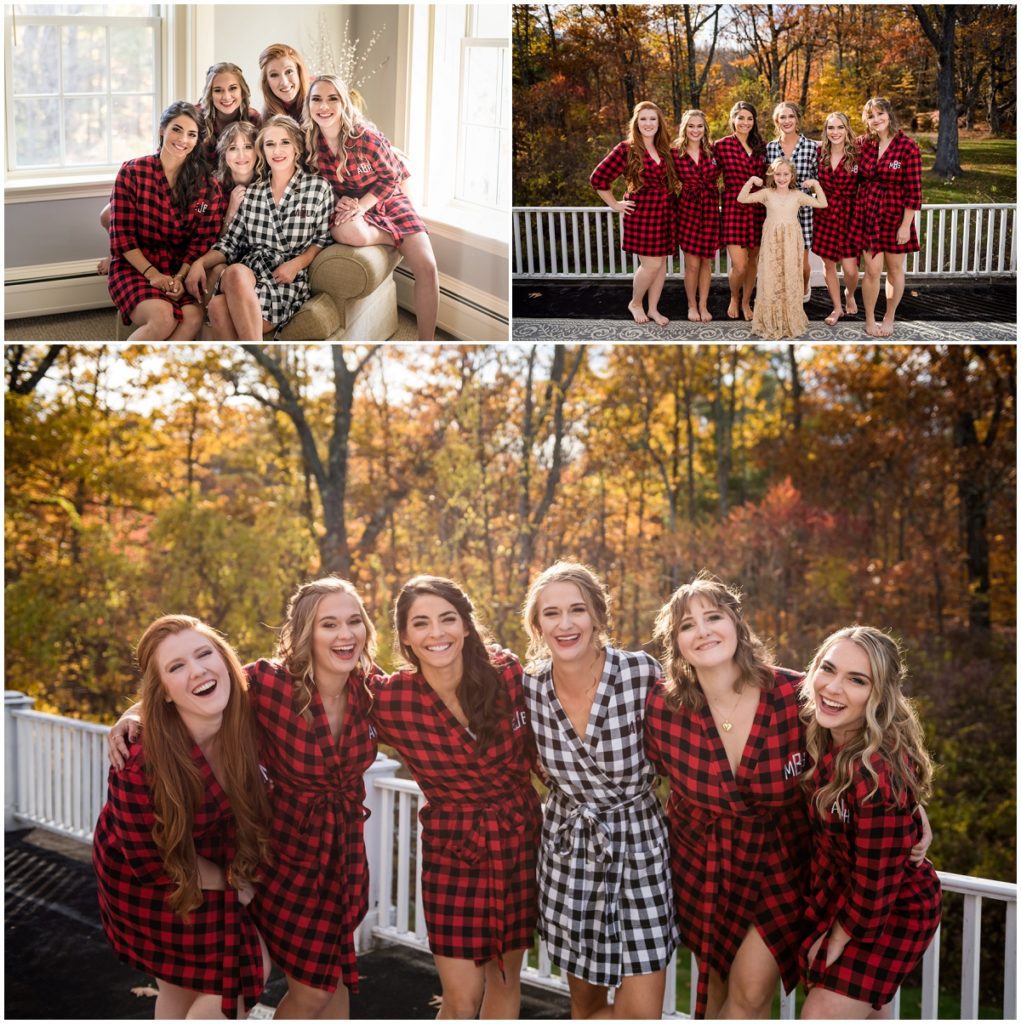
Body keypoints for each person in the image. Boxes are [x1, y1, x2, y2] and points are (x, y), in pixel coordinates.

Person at [108, 578, 381, 1020]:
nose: (345, 634)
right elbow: (149, 857)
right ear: (304, 633)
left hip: (308, 855)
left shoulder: (373, 692)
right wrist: (131, 713)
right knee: (228, 983)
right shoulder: (269, 686)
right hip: (153, 872)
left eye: (354, 621)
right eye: (328, 623)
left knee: (317, 986)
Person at [371, 575, 542, 1019]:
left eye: (448, 619)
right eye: (421, 623)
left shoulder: (507, 675)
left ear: (466, 625)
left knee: (504, 985)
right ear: (406, 637)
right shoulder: (392, 699)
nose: (437, 633)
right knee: (461, 995)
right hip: (451, 849)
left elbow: (545, 748)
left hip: (516, 838)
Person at [645, 574, 811, 1020]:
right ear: (675, 643)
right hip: (704, 864)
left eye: (713, 617)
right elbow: (627, 773)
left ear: (737, 624)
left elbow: (864, 751)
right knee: (716, 989)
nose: (702, 632)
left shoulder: (797, 696)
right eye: (687, 625)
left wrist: (914, 811)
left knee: (752, 993)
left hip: (781, 864)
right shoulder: (664, 709)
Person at [94, 615, 272, 1019]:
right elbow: (150, 863)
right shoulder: (139, 760)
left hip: (212, 857)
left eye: (204, 654)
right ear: (165, 693)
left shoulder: (247, 702)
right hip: (142, 878)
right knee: (244, 971)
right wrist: (233, 883)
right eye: (176, 667)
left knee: (188, 988)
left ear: (225, 661)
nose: (197, 670)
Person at [522, 561, 677, 1019]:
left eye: (577, 610)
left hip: (640, 846)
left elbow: (688, 745)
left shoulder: (640, 674)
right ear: (537, 624)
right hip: (569, 852)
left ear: (598, 616)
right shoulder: (527, 687)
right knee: (585, 1006)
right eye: (551, 614)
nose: (565, 624)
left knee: (641, 1013)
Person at [797, 626, 941, 1019]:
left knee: (820, 1013)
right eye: (828, 669)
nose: (834, 687)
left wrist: (835, 940)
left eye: (857, 680)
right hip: (844, 894)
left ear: (879, 696)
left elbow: (876, 883)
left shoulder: (879, 771)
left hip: (890, 906)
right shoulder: (824, 727)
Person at [305, 74, 440, 340]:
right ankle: (393, 238)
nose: (324, 106)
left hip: (384, 199)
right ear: (308, 105)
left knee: (427, 266)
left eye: (332, 98)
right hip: (349, 206)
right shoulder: (309, 143)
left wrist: (362, 206)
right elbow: (312, 187)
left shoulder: (364, 137)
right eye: (316, 99)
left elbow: (391, 178)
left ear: (343, 102)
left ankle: (427, 341)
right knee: (346, 232)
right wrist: (337, 201)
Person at [195, 115, 334, 340]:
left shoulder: (318, 188)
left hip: (286, 278)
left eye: (284, 142)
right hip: (250, 274)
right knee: (232, 274)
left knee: (219, 305)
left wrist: (296, 264)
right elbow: (229, 243)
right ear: (262, 150)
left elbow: (322, 239)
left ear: (297, 147)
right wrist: (199, 263)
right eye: (270, 144)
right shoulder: (254, 192)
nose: (277, 150)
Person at [106, 101, 224, 340]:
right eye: (177, 129)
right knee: (163, 316)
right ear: (162, 130)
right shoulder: (132, 172)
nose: (183, 139)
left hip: (179, 269)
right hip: (135, 266)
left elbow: (201, 242)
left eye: (192, 134)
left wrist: (179, 278)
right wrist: (154, 275)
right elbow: (122, 237)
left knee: (193, 318)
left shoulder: (208, 187)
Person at [590, 101, 682, 327]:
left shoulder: (664, 149)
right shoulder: (626, 149)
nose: (648, 123)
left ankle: (653, 309)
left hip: (665, 213)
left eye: (653, 119)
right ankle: (635, 303)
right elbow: (598, 178)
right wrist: (614, 204)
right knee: (650, 265)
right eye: (643, 119)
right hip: (642, 214)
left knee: (660, 265)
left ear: (659, 123)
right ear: (636, 123)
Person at [850, 97, 923, 337]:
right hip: (868, 214)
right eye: (871, 116)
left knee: (894, 271)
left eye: (880, 114)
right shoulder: (862, 144)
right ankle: (869, 318)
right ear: (866, 121)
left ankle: (889, 316)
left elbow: (914, 191)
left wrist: (905, 225)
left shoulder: (907, 147)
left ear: (889, 115)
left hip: (895, 217)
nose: (876, 120)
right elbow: (838, 149)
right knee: (871, 270)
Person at [738, 157, 827, 339]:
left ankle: (789, 319)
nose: (782, 178)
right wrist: (751, 181)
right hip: (772, 241)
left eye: (786, 174)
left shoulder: (797, 195)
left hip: (791, 240)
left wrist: (816, 185)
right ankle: (770, 319)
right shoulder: (767, 193)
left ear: (792, 175)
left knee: (789, 276)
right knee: (771, 276)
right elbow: (742, 198)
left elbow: (822, 203)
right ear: (772, 174)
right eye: (778, 174)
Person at [186, 121, 260, 310]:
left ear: (257, 151)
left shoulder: (268, 185)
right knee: (217, 269)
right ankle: (202, 320)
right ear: (224, 154)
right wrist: (230, 211)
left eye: (248, 147)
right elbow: (201, 226)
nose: (241, 155)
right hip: (218, 253)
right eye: (233, 148)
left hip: (254, 260)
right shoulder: (210, 188)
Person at [713, 101, 768, 321]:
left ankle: (746, 301)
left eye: (749, 118)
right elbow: (704, 170)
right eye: (741, 117)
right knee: (740, 264)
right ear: (733, 119)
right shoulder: (721, 145)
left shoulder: (761, 146)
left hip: (758, 208)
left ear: (754, 122)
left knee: (753, 261)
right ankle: (734, 297)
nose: (745, 122)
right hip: (734, 207)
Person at [765, 101, 820, 303]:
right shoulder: (770, 148)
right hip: (777, 211)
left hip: (802, 210)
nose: (786, 121)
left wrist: (810, 186)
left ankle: (804, 288)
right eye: (782, 117)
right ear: (777, 121)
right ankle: (782, 293)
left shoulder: (811, 147)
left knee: (801, 259)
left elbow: (817, 178)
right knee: (779, 257)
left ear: (797, 119)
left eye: (790, 116)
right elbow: (768, 178)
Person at [812, 113, 861, 326]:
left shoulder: (857, 154)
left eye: (840, 128)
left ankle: (849, 294)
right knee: (829, 265)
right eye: (831, 128)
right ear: (826, 131)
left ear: (847, 129)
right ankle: (837, 307)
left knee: (850, 269)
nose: (835, 132)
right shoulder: (818, 153)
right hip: (825, 214)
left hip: (849, 214)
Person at [673, 109, 721, 323]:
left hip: (710, 209)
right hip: (688, 211)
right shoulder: (675, 153)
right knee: (692, 264)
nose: (695, 130)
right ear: (685, 128)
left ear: (705, 128)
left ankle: (703, 305)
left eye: (699, 126)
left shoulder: (713, 152)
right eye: (691, 126)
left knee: (706, 263)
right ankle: (691, 305)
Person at [196, 61, 262, 162]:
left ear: (242, 91)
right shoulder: (195, 117)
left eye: (233, 88)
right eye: (218, 90)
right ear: (210, 94)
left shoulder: (253, 119)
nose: (226, 97)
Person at [259, 43, 309, 122]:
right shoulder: (267, 119)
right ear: (267, 82)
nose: (284, 83)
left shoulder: (319, 98)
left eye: (289, 71)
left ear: (299, 72)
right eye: (274, 75)